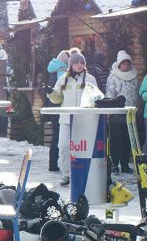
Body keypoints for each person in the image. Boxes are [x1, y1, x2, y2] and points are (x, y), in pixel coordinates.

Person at [51, 50, 100, 185]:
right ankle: (67, 174)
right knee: (63, 146)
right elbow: (57, 99)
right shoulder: (63, 79)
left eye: (81, 62)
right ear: (71, 64)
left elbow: (97, 98)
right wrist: (50, 93)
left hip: (85, 120)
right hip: (66, 119)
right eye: (76, 62)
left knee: (84, 148)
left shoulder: (90, 79)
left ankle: (84, 173)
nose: (79, 65)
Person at [105, 51, 140, 174]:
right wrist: (109, 112)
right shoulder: (113, 76)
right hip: (117, 112)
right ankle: (115, 163)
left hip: (130, 113)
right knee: (115, 140)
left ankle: (125, 164)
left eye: (127, 64)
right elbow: (109, 94)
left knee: (127, 140)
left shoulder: (134, 76)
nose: (125, 66)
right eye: (123, 64)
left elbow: (136, 94)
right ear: (119, 65)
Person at [45, 50, 70, 172]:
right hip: (59, 106)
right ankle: (54, 164)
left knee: (56, 135)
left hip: (53, 106)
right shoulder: (62, 71)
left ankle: (52, 164)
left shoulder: (53, 69)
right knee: (59, 136)